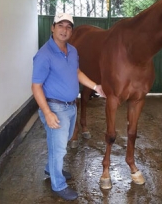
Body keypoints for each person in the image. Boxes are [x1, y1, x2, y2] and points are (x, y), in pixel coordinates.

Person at [31, 12, 106, 201]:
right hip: (55, 108)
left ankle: (51, 168)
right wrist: (47, 113)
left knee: (60, 143)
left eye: (68, 26)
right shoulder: (43, 54)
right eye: (60, 25)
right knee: (59, 149)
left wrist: (95, 86)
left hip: (71, 106)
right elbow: (36, 86)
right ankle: (58, 184)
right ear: (53, 27)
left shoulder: (72, 50)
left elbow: (77, 72)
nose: (64, 30)